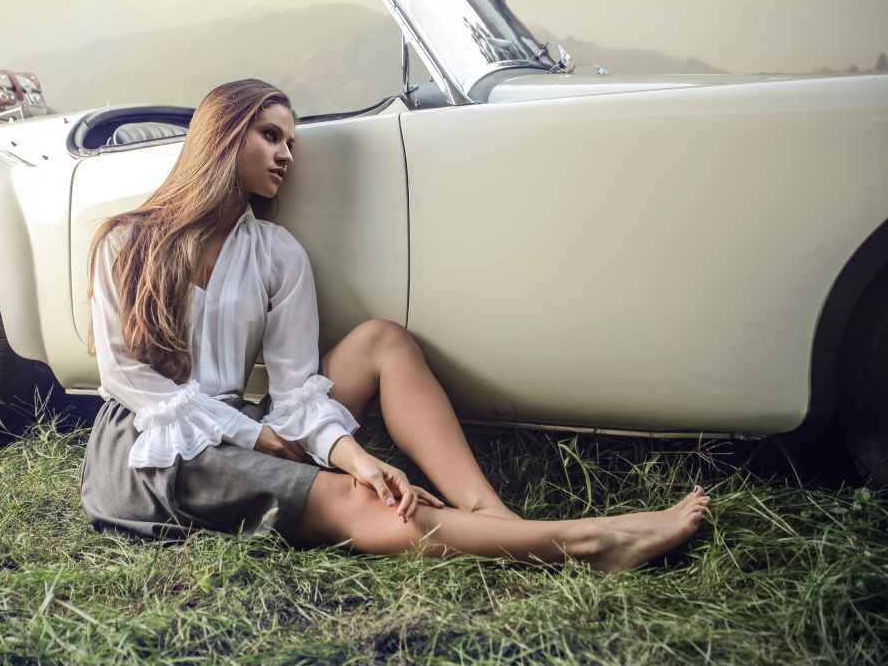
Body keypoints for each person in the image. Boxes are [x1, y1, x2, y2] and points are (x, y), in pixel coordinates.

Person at [80, 79, 710, 571]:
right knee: (357, 503)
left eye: (291, 142)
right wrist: (257, 437)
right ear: (222, 136)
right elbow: (128, 378)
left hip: (238, 423)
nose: (286, 155)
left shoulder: (277, 253)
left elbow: (297, 392)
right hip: (151, 445)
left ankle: (493, 514)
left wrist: (355, 457)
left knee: (382, 341)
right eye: (271, 136)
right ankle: (589, 543)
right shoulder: (127, 242)